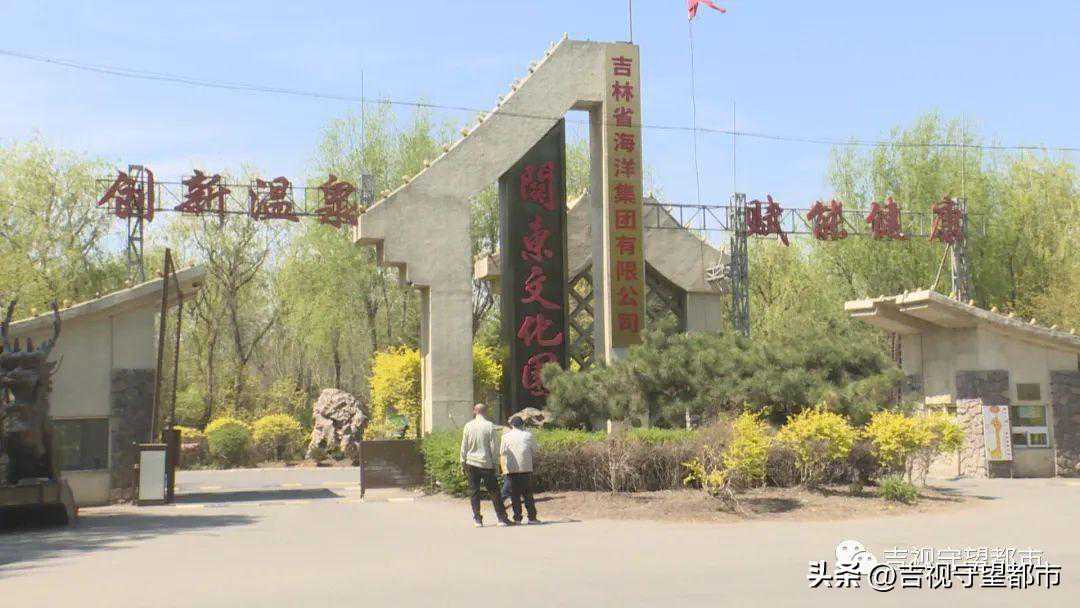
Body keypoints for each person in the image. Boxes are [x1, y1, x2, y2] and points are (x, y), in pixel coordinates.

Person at [460, 403, 510, 527]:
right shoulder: (489, 426)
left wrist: (462, 461)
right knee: (494, 492)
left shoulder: (468, 426)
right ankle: (501, 518)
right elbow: (494, 447)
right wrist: (496, 464)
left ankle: (477, 519)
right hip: (486, 463)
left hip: (471, 462)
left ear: (474, 411)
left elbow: (464, 445)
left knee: (474, 491)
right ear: (485, 412)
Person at [499, 416, 540, 524]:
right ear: (522, 425)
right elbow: (536, 450)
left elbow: (502, 452)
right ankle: (532, 518)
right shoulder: (528, 435)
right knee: (528, 494)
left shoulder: (505, 437)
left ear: (511, 425)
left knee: (514, 495)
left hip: (511, 469)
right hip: (525, 468)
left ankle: (517, 518)